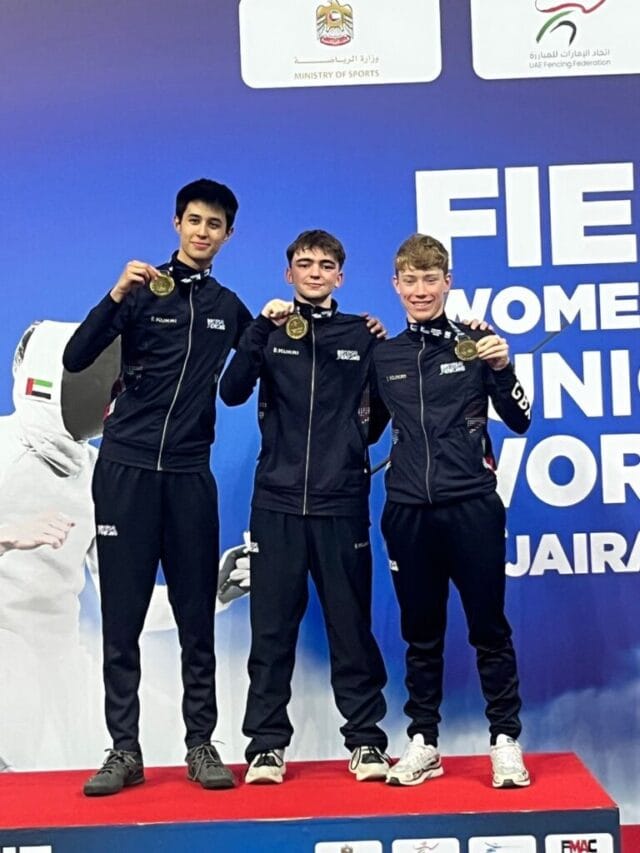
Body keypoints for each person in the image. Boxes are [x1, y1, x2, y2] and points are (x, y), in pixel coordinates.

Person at [63, 178, 252, 795]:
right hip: (125, 471)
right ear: (177, 224)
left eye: (214, 224)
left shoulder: (230, 308)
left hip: (190, 476)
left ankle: (201, 745)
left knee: (196, 617)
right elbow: (76, 356)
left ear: (227, 235)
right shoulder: (142, 292)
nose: (202, 231)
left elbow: (268, 371)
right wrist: (116, 293)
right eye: (194, 220)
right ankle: (124, 750)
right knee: (123, 619)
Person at [219, 229, 390, 784]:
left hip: (342, 504)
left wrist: (349, 452)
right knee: (271, 631)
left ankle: (365, 741)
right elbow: (232, 391)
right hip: (277, 504)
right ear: (288, 272)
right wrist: (257, 333)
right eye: (304, 264)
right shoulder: (269, 331)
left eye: (325, 265)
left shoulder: (362, 336)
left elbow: (381, 415)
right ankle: (266, 745)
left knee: (350, 627)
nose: (315, 272)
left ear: (340, 275)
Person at [373, 234, 532, 788]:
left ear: (448, 281)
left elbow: (520, 420)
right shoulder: (384, 355)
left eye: (430, 279)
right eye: (409, 281)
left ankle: (505, 741)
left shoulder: (478, 344)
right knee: (421, 633)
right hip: (407, 511)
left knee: (489, 629)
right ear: (397, 286)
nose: (420, 290)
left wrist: (506, 366)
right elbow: (362, 430)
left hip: (472, 507)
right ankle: (424, 742)